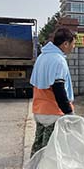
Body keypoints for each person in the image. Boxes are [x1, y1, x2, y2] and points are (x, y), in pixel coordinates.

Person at [30, 28, 76, 156]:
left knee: (39, 148)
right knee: (52, 152)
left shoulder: (42, 57)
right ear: (65, 44)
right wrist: (68, 111)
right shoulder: (58, 60)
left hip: (39, 109)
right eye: (73, 44)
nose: (73, 47)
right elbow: (59, 88)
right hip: (54, 112)